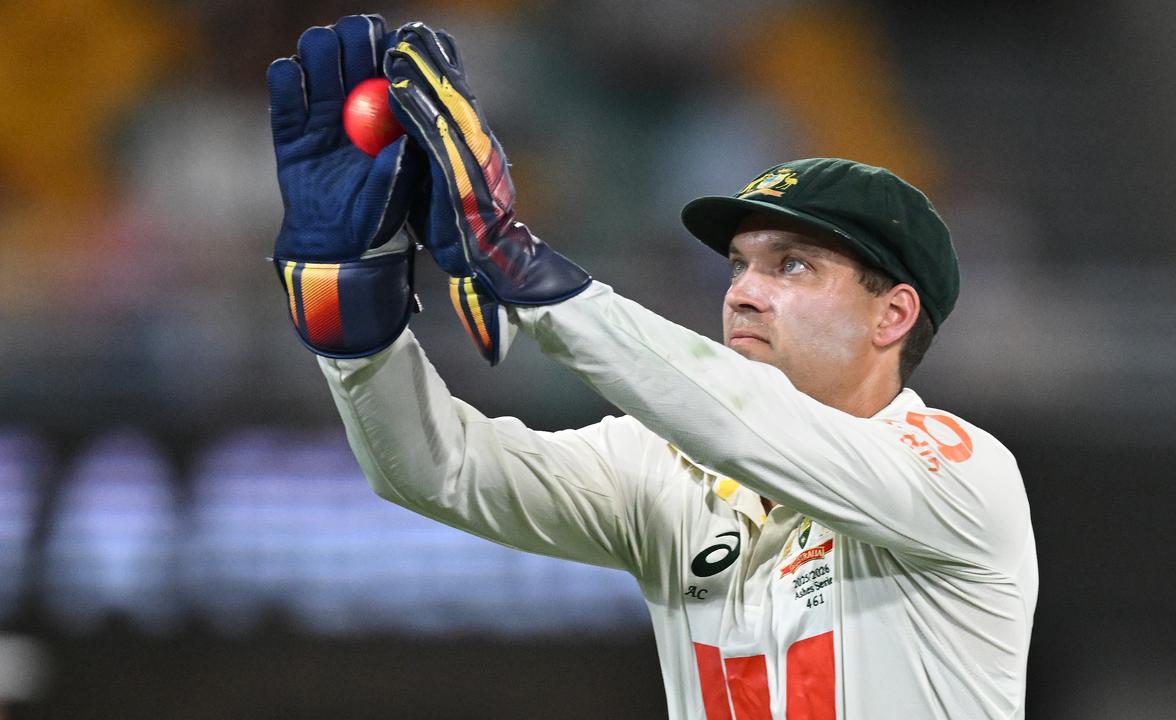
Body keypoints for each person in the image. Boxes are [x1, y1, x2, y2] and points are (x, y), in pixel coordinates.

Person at [268, 15, 1037, 719]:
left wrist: (522, 265)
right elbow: (438, 470)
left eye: (793, 266)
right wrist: (354, 318)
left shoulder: (960, 475)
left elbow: (742, 425)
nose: (743, 293)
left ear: (892, 315)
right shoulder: (673, 477)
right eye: (739, 265)